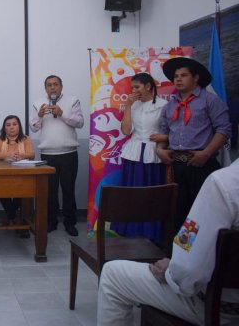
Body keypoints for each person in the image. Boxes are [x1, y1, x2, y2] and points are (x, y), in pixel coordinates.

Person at [97, 158, 239, 325]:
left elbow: (187, 271)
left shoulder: (223, 183)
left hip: (221, 308)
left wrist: (171, 270)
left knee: (112, 274)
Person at [157, 57, 231, 230]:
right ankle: (175, 255)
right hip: (176, 166)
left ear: (195, 78)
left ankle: (203, 255)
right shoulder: (169, 106)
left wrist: (206, 153)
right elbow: (164, 133)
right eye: (176, 76)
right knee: (177, 212)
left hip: (202, 164)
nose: (178, 79)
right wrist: (160, 150)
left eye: (184, 75)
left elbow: (224, 130)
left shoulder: (210, 100)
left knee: (203, 214)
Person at [110, 73, 168, 241]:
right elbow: (127, 131)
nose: (134, 91)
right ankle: (129, 230)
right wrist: (128, 106)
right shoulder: (133, 106)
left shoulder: (163, 105)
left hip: (153, 153)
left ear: (148, 86)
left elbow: (170, 130)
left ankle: (151, 232)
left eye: (137, 87)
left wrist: (163, 138)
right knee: (132, 193)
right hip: (134, 153)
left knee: (151, 194)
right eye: (132, 88)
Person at [30, 75, 84, 236]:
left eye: (55, 84)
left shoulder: (73, 100)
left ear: (61, 86)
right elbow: (33, 128)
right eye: (49, 85)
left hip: (69, 154)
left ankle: (70, 223)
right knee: (50, 191)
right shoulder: (38, 103)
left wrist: (62, 113)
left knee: (68, 190)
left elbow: (80, 123)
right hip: (48, 154)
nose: (52, 87)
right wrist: (39, 116)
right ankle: (51, 222)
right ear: (45, 88)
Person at [0, 114, 35, 237]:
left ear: (19, 126)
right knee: (0, 191)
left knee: (22, 191)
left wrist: (21, 156)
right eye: (8, 125)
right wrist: (9, 155)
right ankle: (15, 218)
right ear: (4, 128)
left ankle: (11, 218)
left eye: (14, 124)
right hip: (3, 175)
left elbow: (31, 154)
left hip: (22, 175)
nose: (11, 127)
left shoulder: (25, 139)